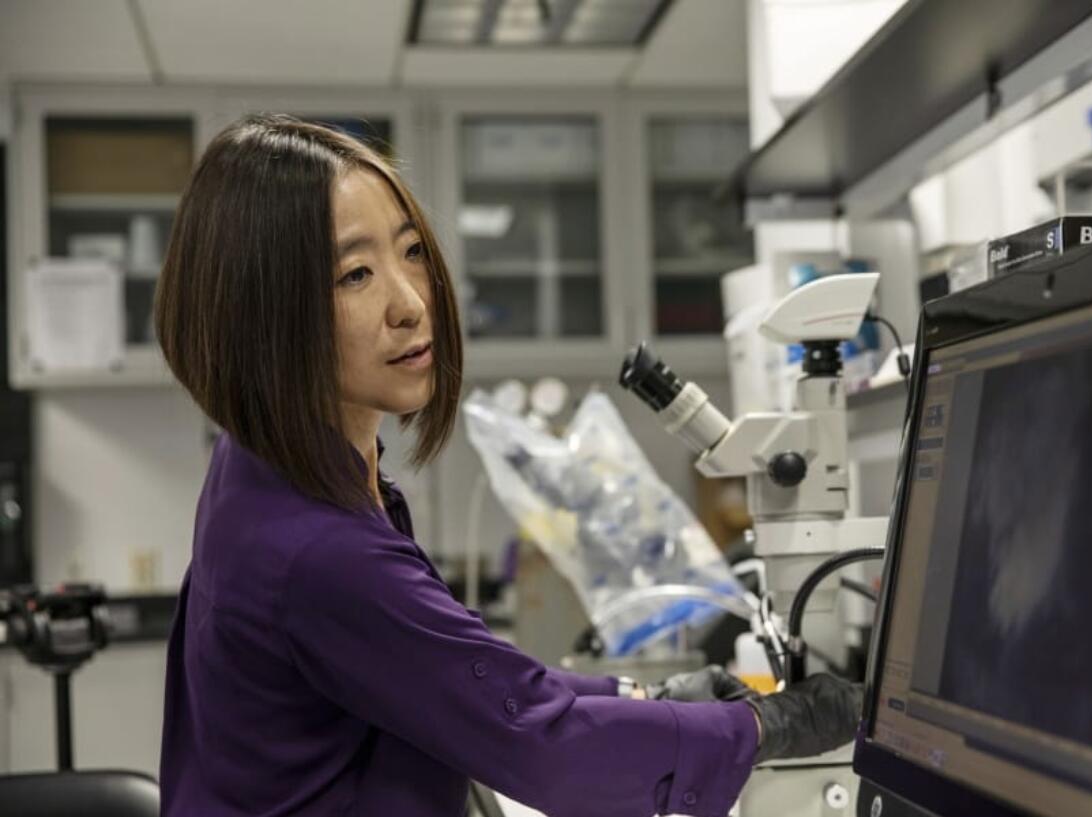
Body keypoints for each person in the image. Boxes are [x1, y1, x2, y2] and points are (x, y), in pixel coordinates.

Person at [154, 114, 861, 817]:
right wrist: (769, 725)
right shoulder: (317, 547)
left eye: (411, 252)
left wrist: (641, 697)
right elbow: (546, 745)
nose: (410, 302)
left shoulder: (269, 468)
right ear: (263, 312)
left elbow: (470, 683)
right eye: (355, 274)